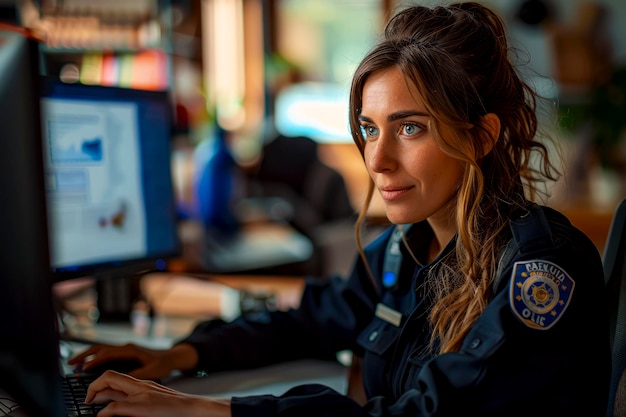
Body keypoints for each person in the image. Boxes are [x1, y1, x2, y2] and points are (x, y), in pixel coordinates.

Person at [70, 2, 610, 416]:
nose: (378, 159)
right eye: (371, 129)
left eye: (410, 127)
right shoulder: (411, 248)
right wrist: (181, 356)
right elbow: (313, 317)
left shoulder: (539, 270)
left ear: (480, 135)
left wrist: (206, 410)